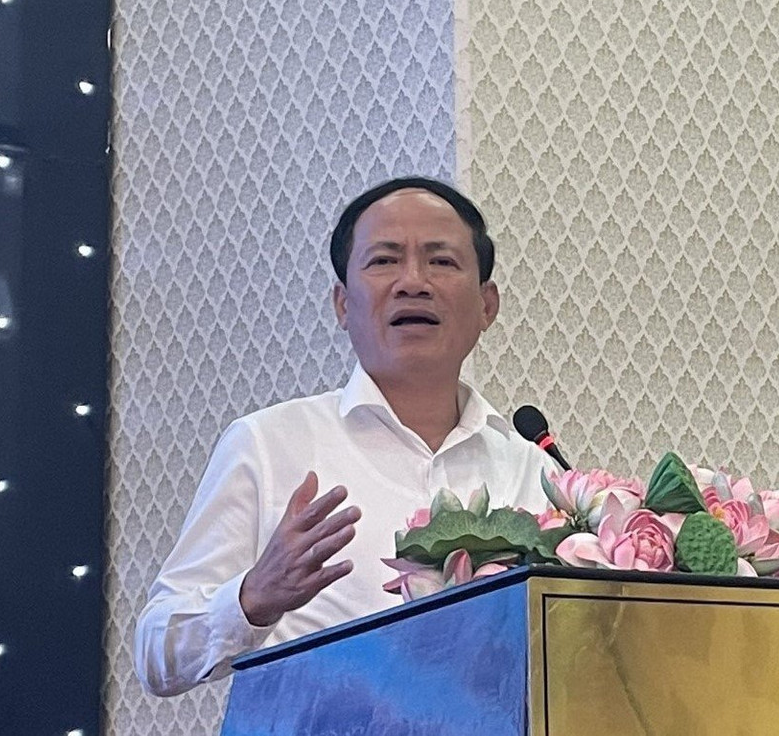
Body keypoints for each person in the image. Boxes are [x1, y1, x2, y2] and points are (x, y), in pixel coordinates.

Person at [134, 177, 554, 697]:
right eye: (384, 261)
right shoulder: (269, 444)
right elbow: (156, 653)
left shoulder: (533, 469)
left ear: (487, 305)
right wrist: (253, 597)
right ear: (342, 303)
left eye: (442, 261)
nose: (413, 282)